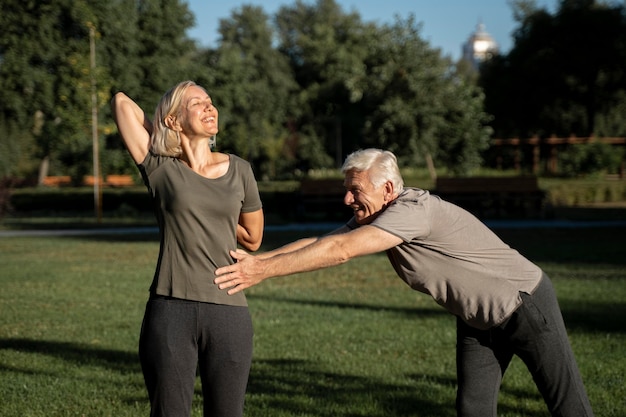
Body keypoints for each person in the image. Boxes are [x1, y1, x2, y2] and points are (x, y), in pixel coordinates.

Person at [214, 148, 594, 417]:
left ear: (388, 191)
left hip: (524, 305)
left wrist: (262, 273)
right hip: (478, 319)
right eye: (347, 189)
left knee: (567, 405)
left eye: (355, 190)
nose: (347, 198)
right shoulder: (377, 214)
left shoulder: (412, 212)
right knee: (473, 408)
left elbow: (342, 251)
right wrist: (257, 261)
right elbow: (322, 242)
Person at [111, 80, 264, 417]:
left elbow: (253, 238)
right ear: (175, 120)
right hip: (170, 310)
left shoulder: (240, 170)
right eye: (197, 103)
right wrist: (165, 134)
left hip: (229, 310)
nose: (210, 107)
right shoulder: (160, 167)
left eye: (210, 101)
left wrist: (213, 218)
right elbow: (122, 103)